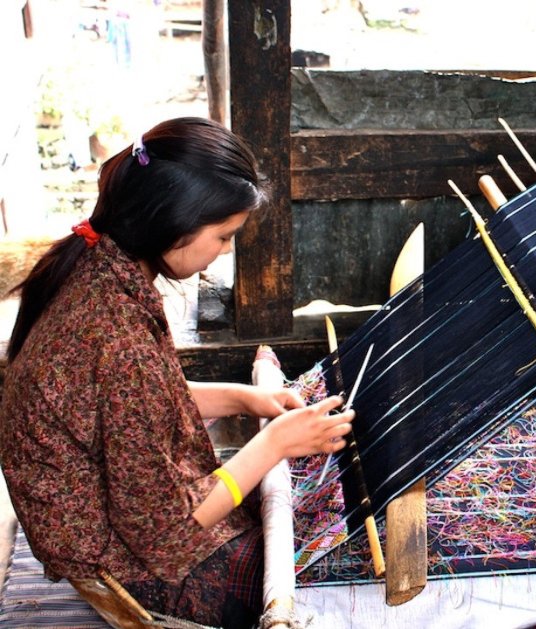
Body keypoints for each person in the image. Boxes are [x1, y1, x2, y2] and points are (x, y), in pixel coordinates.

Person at [0, 117, 353, 627]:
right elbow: (165, 532)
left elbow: (136, 402)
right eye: (224, 236)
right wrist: (272, 444)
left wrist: (246, 400)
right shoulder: (115, 336)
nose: (226, 251)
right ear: (174, 223)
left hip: (108, 517)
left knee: (309, 519)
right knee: (332, 577)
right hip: (126, 565)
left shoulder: (99, 265)